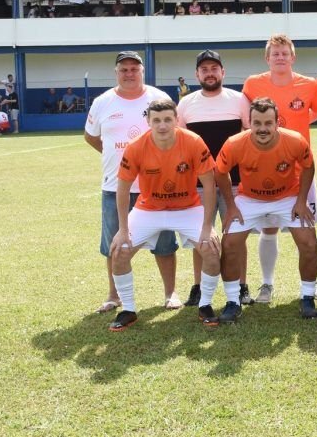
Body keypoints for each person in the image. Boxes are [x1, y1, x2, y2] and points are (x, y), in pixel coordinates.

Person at [107, 99, 219, 331]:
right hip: (149, 209)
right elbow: (123, 189)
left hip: (187, 208)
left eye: (168, 119)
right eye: (156, 120)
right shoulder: (136, 147)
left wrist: (208, 227)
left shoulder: (193, 142)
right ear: (148, 121)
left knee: (211, 248)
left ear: (176, 120)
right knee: (119, 251)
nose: (162, 125)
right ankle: (128, 309)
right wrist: (122, 229)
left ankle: (206, 306)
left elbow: (209, 186)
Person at [84, 51, 179, 314]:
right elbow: (91, 137)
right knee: (114, 244)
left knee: (164, 243)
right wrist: (118, 157)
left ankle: (170, 292)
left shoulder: (159, 99)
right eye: (124, 69)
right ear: (116, 72)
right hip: (115, 186)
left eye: (134, 69)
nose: (129, 74)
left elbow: (174, 134)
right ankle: (114, 295)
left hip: (156, 186)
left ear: (142, 71)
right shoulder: (103, 102)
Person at [213, 98, 317, 318]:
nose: (263, 129)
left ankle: (308, 297)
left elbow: (309, 167)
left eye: (268, 123)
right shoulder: (235, 143)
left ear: (277, 123)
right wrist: (232, 205)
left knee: (309, 243)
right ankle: (233, 301)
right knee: (230, 244)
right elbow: (220, 172)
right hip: (249, 199)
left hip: (287, 197)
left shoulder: (294, 141)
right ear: (249, 123)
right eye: (257, 123)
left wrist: (301, 200)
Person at [239, 34, 317, 304]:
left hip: (300, 170)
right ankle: (267, 283)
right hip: (266, 169)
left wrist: (292, 127)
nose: (280, 57)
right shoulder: (253, 83)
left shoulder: (309, 85)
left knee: (305, 230)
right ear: (267, 58)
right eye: (275, 53)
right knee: (268, 229)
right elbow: (246, 119)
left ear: (293, 57)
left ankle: (311, 285)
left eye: (285, 53)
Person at [176, 50, 250, 308]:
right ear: (197, 74)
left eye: (214, 68)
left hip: (235, 182)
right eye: (204, 69)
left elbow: (250, 137)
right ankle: (198, 287)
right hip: (199, 184)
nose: (210, 73)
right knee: (201, 238)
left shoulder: (239, 100)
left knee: (236, 236)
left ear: (222, 72)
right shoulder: (186, 104)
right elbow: (180, 144)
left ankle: (242, 286)